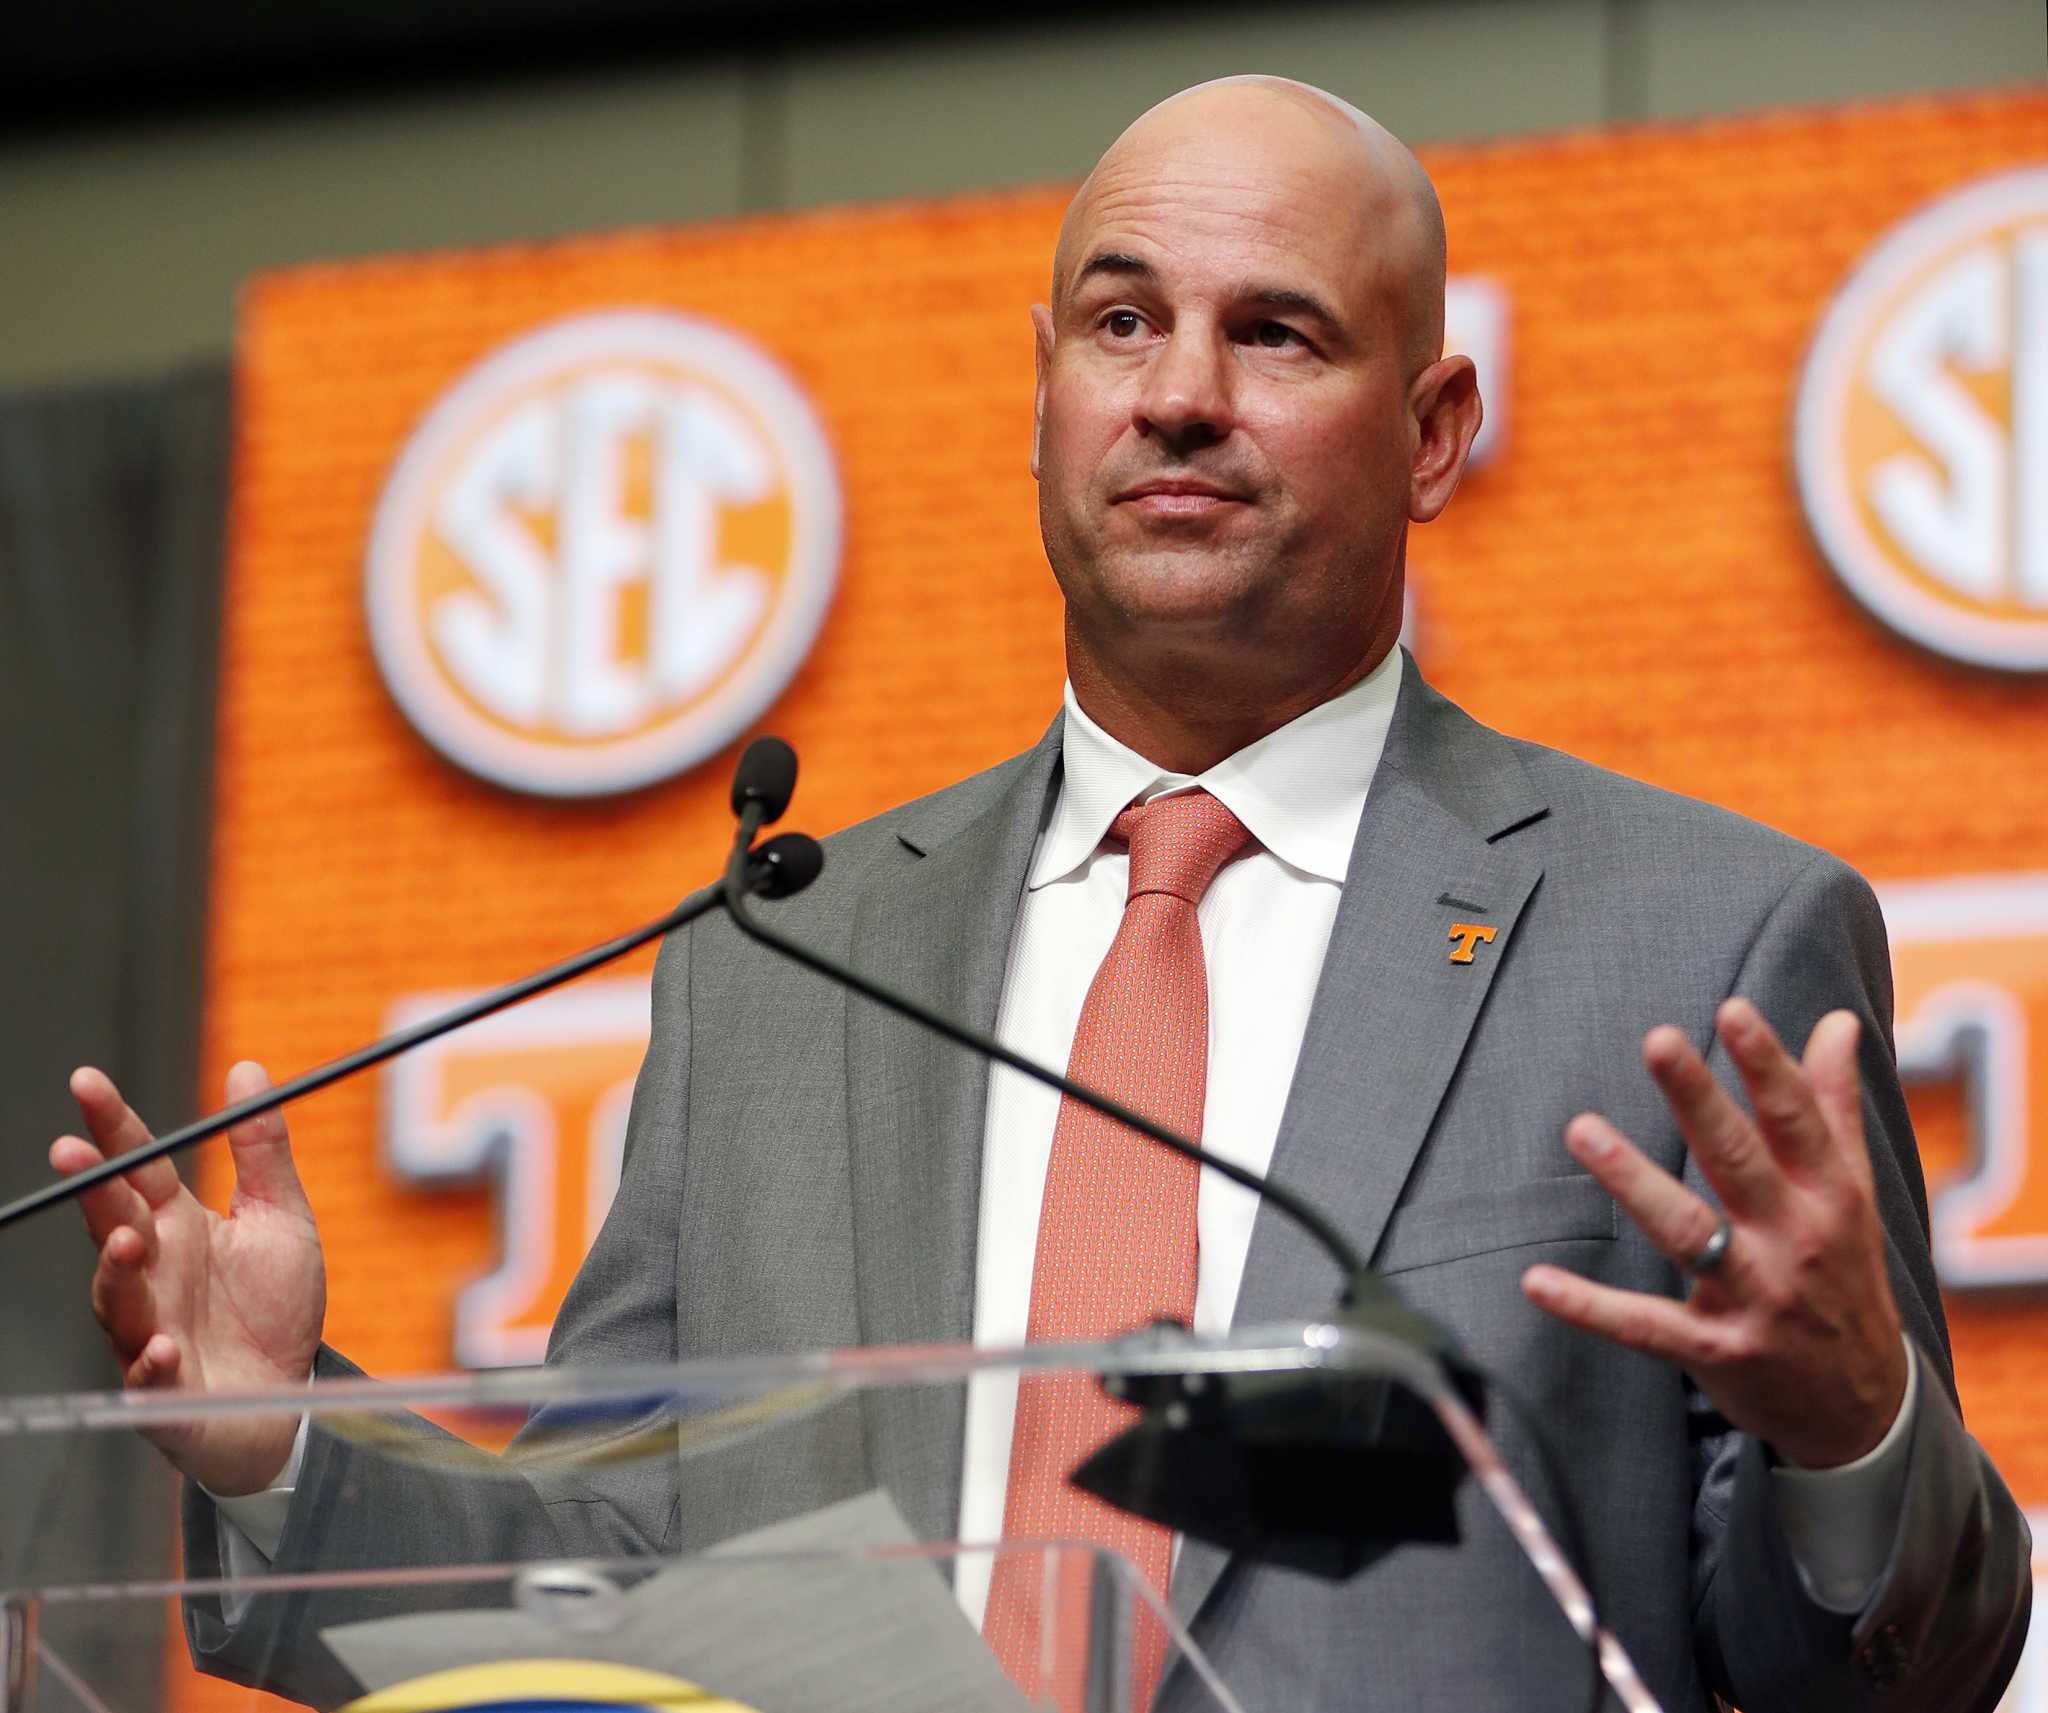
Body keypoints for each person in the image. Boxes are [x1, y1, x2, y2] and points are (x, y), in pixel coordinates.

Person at [53, 76, 2029, 1712]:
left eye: (1273, 331)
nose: (1178, 392)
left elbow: (1897, 1660)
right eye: (1119, 319)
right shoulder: (786, 959)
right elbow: (610, 1581)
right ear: (1042, 393)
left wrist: (1855, 1432)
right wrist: (278, 1444)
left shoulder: (1705, 932)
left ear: (1432, 435)